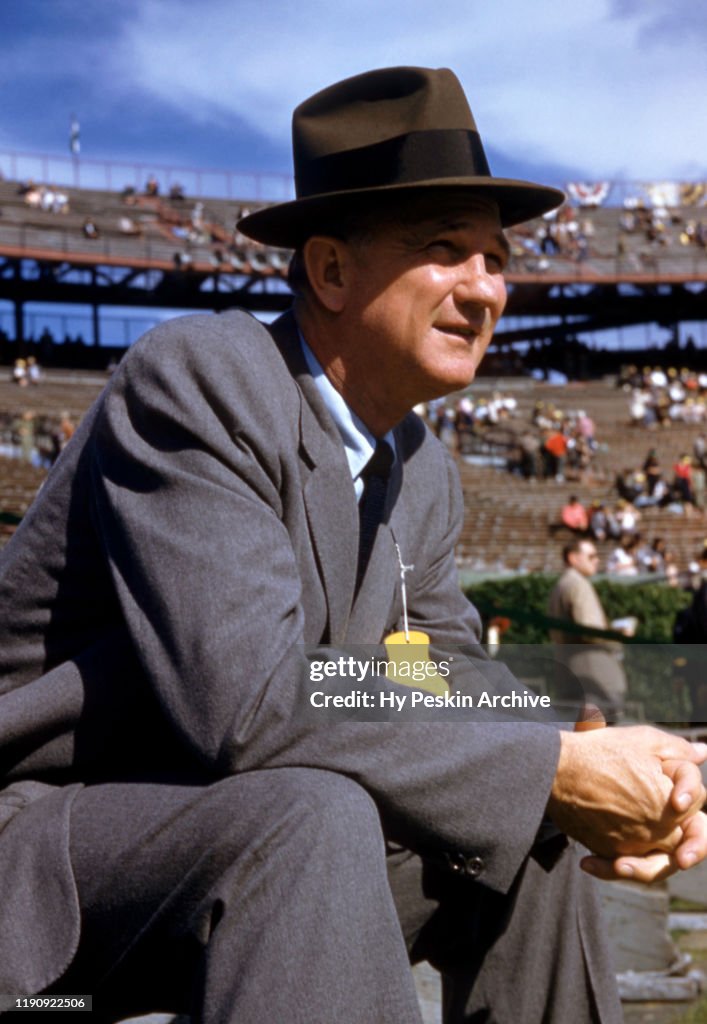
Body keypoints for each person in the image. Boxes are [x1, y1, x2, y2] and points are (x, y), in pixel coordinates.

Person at [0, 66, 706, 1024]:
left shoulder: (422, 467)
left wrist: (588, 752)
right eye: (445, 250)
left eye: (496, 259)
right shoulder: (200, 378)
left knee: (519, 832)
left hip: (245, 829)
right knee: (316, 814)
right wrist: (541, 765)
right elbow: (252, 699)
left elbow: (437, 673)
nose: (485, 289)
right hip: (59, 849)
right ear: (329, 271)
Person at [548, 538, 630, 719]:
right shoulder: (578, 584)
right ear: (573, 558)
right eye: (591, 556)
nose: (597, 560)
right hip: (593, 676)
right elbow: (589, 630)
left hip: (569, 672)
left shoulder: (561, 585)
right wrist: (619, 634)